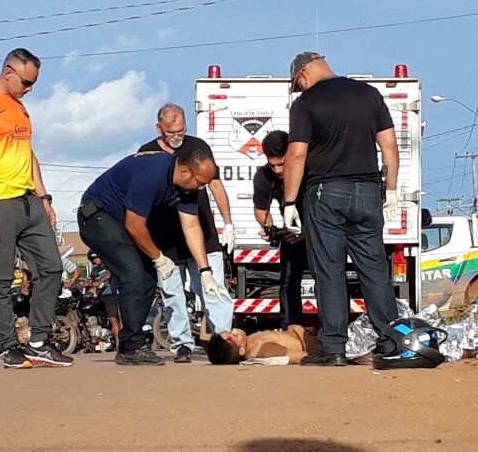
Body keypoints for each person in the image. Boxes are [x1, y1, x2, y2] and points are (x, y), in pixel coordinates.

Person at [282, 52, 401, 366]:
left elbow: (296, 156)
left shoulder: (306, 104)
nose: (300, 88)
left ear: (303, 72)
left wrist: (290, 202)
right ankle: (392, 343)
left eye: (298, 83)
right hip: (367, 193)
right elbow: (389, 146)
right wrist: (390, 191)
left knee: (329, 270)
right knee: (374, 269)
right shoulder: (369, 94)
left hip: (325, 193)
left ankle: (334, 348)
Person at [0, 47, 71, 369]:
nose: (30, 89)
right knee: (1, 279)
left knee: (52, 267)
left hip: (29, 202)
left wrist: (44, 197)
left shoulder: (20, 109)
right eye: (26, 82)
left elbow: (29, 154)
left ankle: (38, 341)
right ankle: (10, 348)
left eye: (34, 83)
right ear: (8, 72)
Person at [77, 141, 221, 366]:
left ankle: (128, 345)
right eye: (200, 183)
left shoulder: (187, 187)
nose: (201, 189)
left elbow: (191, 227)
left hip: (122, 224)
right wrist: (159, 258)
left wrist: (205, 271)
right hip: (98, 217)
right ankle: (132, 347)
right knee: (133, 274)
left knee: (147, 278)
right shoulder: (152, 174)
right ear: (185, 171)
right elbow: (135, 225)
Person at [137, 103, 235, 363]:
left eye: (181, 130)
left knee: (213, 288)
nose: (177, 136)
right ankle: (182, 344)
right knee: (172, 293)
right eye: (171, 132)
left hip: (202, 234)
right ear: (159, 128)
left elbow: (215, 183)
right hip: (166, 237)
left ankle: (223, 338)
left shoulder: (198, 146)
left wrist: (228, 223)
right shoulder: (146, 152)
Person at [253, 130, 310, 329]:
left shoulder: (311, 169)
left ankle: (333, 332)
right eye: (272, 165)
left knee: (327, 279)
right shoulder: (263, 176)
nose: (277, 170)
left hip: (318, 231)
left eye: (282, 164)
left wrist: (307, 232)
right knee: (287, 281)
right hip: (291, 234)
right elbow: (260, 210)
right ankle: (289, 328)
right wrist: (271, 229)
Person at [206, 325, 318, 365]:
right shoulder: (266, 350)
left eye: (230, 331)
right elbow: (309, 357)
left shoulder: (250, 339)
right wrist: (298, 330)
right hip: (319, 343)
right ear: (241, 351)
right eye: (233, 336)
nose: (235, 330)